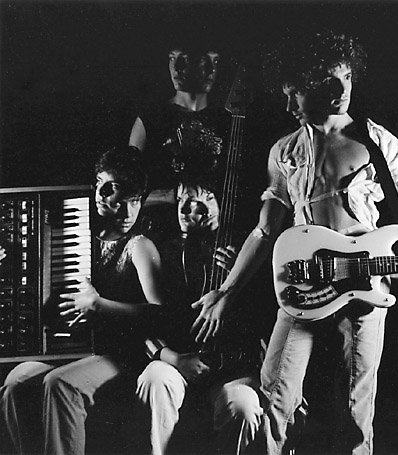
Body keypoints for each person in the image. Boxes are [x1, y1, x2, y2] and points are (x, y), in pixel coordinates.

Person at [190, 31, 398, 455]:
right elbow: (264, 231)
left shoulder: (378, 141)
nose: (341, 89)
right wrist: (225, 292)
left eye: (346, 77)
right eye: (321, 83)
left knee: (355, 413)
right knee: (275, 398)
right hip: (302, 288)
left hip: (364, 290)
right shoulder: (285, 152)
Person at [0, 146, 164, 455]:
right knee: (16, 382)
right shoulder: (80, 231)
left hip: (121, 355)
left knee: (60, 384)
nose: (128, 213)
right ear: (100, 190)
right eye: (119, 199)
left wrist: (100, 305)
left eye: (135, 201)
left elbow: (159, 314)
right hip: (78, 349)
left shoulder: (140, 246)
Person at [136, 160, 264, 455]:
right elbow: (147, 318)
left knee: (244, 406)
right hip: (179, 360)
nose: (187, 210)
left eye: (204, 200)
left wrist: (239, 280)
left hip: (232, 369)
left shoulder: (243, 253)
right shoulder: (161, 250)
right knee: (155, 378)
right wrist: (174, 359)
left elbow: (263, 320)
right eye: (182, 199)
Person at [129, 41, 227, 194]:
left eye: (184, 59)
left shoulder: (226, 118)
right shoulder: (150, 117)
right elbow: (130, 184)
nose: (176, 68)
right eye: (172, 58)